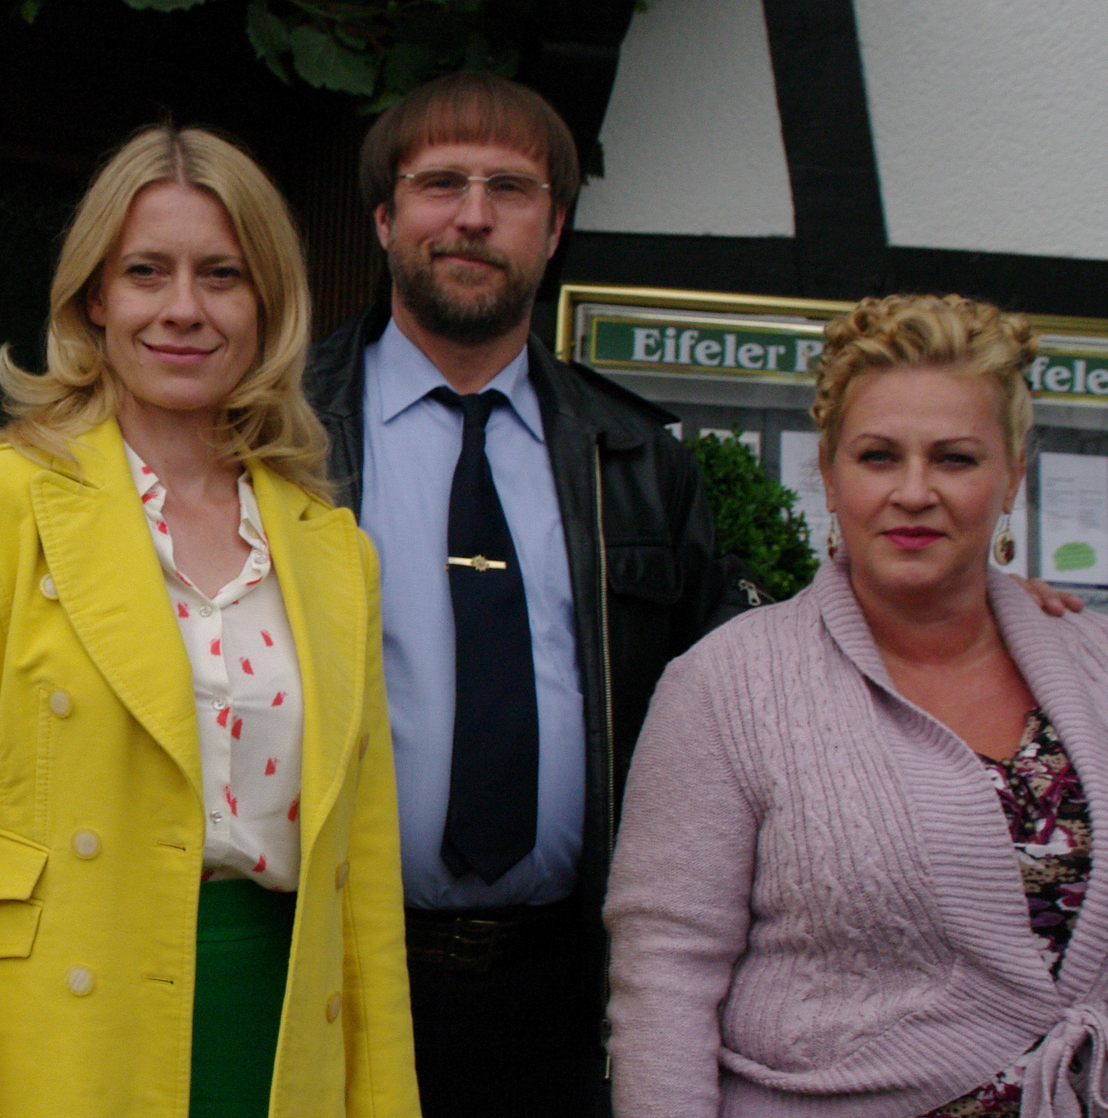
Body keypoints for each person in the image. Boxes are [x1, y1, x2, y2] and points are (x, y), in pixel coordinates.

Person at [0, 123, 418, 1118]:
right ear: (95, 298)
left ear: (266, 302)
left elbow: (363, 888)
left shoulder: (334, 550)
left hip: (278, 1035)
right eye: (146, 272)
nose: (182, 308)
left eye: (221, 275)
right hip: (57, 1046)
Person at [604, 294, 1108, 1117]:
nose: (914, 491)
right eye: (878, 456)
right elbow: (667, 972)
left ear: (1014, 475)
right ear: (829, 473)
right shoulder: (726, 686)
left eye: (955, 459)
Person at [298, 70, 722, 1115]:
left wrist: (980, 606)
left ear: (555, 226)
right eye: (440, 183)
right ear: (385, 217)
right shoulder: (279, 434)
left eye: (510, 189)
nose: (474, 217)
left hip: (562, 1000)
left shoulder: (638, 461)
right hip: (325, 977)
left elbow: (736, 692)